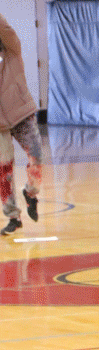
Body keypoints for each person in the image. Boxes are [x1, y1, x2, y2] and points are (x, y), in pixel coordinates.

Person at [0, 13, 42, 237]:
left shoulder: (12, 51)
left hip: (22, 115)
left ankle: (31, 193)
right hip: (0, 126)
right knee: (3, 171)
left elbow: (6, 29)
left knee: (37, 159)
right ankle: (13, 218)